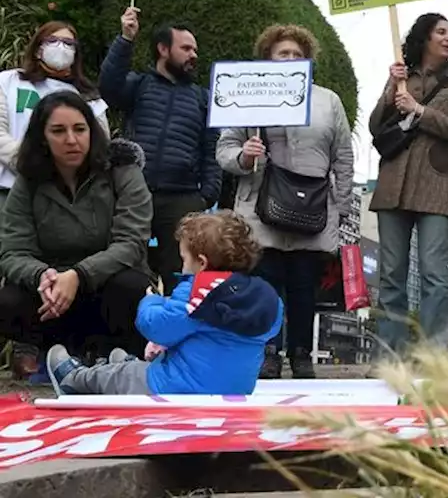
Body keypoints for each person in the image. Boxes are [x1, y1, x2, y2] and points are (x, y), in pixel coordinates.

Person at [216, 25, 354, 379]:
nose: (291, 59)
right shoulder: (248, 95)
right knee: (265, 283)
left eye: (297, 54)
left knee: (304, 285)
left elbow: (343, 156)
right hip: (261, 207)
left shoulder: (329, 101)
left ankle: (302, 354)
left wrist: (340, 205)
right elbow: (225, 148)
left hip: (313, 208)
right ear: (267, 59)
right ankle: (268, 352)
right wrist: (244, 157)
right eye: (283, 54)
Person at [46, 211, 283, 396]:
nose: (182, 266)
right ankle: (135, 366)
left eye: (184, 259)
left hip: (176, 388)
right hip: (234, 390)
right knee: (151, 364)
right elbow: (216, 332)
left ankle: (73, 379)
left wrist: (151, 301)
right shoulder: (264, 296)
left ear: (201, 262)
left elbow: (157, 327)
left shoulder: (199, 293)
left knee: (118, 375)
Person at [0, 92, 154, 364]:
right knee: (9, 301)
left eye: (80, 129)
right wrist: (42, 276)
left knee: (133, 289)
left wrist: (79, 275)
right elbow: (13, 251)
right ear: (42, 138)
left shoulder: (123, 171)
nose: (71, 140)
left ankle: (114, 355)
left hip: (109, 282)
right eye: (58, 131)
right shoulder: (28, 181)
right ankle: (55, 352)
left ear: (92, 131)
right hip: (53, 288)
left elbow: (131, 243)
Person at [0, 20, 110, 380]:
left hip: (71, 192)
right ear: (37, 44)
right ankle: (25, 343)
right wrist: (39, 161)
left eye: (69, 43)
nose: (61, 47)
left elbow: (101, 143)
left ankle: (76, 346)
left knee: (76, 270)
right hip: (14, 186)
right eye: (53, 41)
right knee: (18, 271)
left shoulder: (90, 96)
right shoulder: (9, 81)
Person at [368, 13, 448, 353]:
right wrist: (389, 89)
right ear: (424, 37)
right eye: (441, 31)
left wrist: (420, 111)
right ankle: (388, 354)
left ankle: (435, 355)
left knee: (434, 274)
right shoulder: (402, 79)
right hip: (394, 184)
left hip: (438, 188)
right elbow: (375, 127)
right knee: (391, 275)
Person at [99, 8, 220, 290]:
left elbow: (211, 149)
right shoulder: (140, 85)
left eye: (195, 49)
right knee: (123, 268)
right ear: (163, 49)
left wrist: (205, 196)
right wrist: (125, 40)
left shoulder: (203, 98)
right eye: (186, 48)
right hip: (134, 192)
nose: (194, 55)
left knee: (182, 279)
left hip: (183, 199)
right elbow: (109, 87)